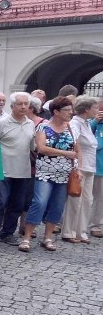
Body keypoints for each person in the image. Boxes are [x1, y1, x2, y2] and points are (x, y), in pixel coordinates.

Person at [19, 96, 80, 252]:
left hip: (65, 174)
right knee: (39, 202)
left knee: (58, 206)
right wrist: (65, 153)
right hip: (45, 173)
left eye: (71, 110)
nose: (70, 113)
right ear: (56, 111)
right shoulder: (43, 127)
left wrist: (77, 169)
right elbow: (42, 148)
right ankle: (26, 237)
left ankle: (47, 238)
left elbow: (77, 151)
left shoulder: (71, 128)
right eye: (67, 110)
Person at [0, 92, 35, 247]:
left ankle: (8, 233)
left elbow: (32, 147)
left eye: (26, 104)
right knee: (0, 202)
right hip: (4, 169)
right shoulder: (3, 123)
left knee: (17, 204)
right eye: (20, 104)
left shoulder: (30, 124)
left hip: (23, 170)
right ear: (12, 106)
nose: (23, 107)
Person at [61, 95, 98, 243]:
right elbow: (74, 144)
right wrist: (77, 167)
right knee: (75, 200)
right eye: (95, 107)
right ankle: (69, 231)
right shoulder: (75, 123)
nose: (97, 110)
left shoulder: (87, 123)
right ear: (86, 109)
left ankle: (81, 231)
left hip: (90, 167)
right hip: (80, 168)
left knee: (87, 201)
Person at [89, 99, 103, 239]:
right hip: (88, 164)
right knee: (78, 196)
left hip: (101, 166)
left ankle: (96, 224)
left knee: (100, 198)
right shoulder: (91, 123)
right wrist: (95, 121)